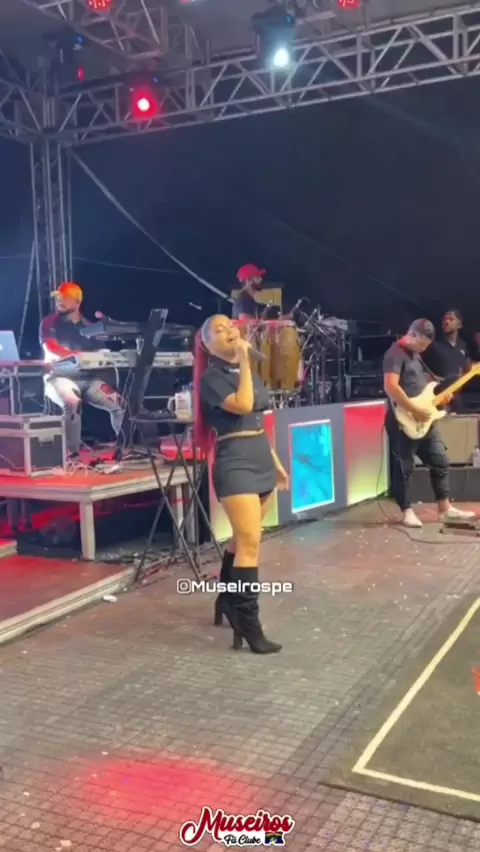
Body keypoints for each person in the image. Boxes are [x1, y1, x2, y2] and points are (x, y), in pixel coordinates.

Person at [195, 314, 289, 654]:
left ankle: (227, 600)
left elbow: (256, 419)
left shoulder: (243, 371)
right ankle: (249, 625)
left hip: (260, 457)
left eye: (230, 326)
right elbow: (244, 404)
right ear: (207, 345)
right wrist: (246, 361)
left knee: (241, 540)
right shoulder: (212, 379)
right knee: (250, 542)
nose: (229, 332)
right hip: (235, 463)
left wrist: (276, 463)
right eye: (219, 331)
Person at [383, 318, 475, 529]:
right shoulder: (394, 354)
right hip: (403, 419)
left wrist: (441, 398)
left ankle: (444, 508)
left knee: (440, 460)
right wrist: (415, 410)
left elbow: (424, 388)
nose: (424, 349)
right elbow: (391, 387)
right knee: (404, 467)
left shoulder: (416, 357)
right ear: (412, 335)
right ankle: (406, 510)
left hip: (424, 419)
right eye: (422, 344)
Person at [40, 282, 125, 457]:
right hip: (59, 377)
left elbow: (101, 355)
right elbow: (51, 347)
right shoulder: (48, 323)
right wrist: (78, 356)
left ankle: (126, 449)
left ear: (77, 302)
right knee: (72, 402)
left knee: (120, 404)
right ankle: (72, 455)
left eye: (65, 298)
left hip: (88, 380)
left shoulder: (91, 327)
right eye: (58, 298)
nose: (59, 301)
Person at [422, 309, 470, 413]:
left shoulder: (463, 345)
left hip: (457, 397)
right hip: (439, 396)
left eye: (451, 319)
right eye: (444, 319)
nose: (446, 322)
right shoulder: (434, 346)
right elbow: (422, 368)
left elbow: (467, 368)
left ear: (459, 325)